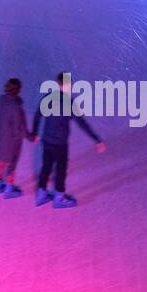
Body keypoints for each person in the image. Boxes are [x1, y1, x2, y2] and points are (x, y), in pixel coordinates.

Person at [31, 72, 106, 208]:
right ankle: (59, 197)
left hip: (47, 141)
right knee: (61, 169)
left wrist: (34, 133)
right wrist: (97, 140)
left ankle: (42, 194)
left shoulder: (47, 98)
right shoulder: (70, 103)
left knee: (46, 166)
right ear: (65, 85)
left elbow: (37, 116)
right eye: (70, 84)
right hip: (60, 144)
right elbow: (82, 123)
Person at [0, 77, 35, 197]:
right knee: (11, 165)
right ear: (18, 90)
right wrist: (32, 138)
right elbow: (20, 128)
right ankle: (9, 189)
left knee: (0, 162)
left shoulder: (1, 99)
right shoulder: (17, 108)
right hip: (12, 142)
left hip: (0, 138)